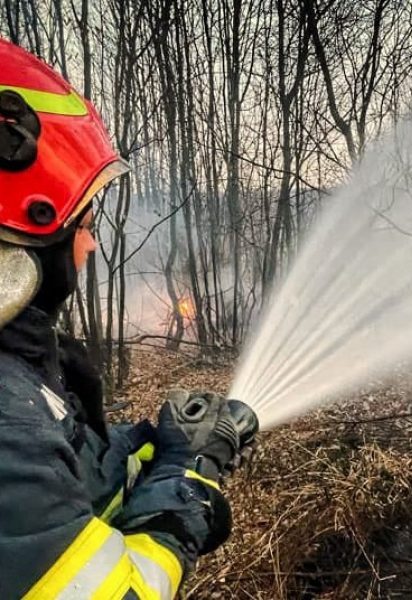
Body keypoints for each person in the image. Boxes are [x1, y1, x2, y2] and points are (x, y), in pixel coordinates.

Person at [0, 39, 258, 599]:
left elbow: (66, 482)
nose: (90, 245)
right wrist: (187, 477)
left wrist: (151, 444)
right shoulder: (7, 423)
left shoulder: (18, 388)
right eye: (83, 224)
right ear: (21, 234)